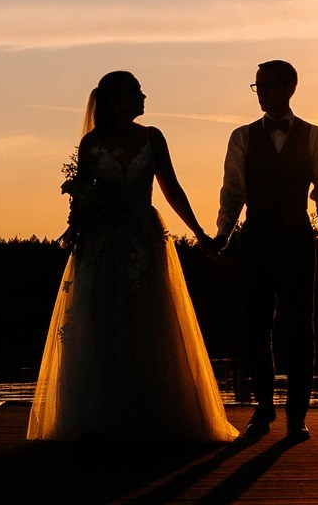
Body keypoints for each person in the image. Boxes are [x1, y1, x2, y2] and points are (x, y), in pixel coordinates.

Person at [26, 70, 239, 443]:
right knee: (103, 325)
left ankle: (155, 414)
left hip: (144, 240)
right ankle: (104, 416)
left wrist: (200, 233)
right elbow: (82, 197)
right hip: (102, 244)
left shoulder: (153, 138)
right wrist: (78, 228)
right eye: (135, 92)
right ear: (112, 100)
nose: (143, 97)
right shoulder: (91, 144)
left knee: (150, 323)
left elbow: (170, 187)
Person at [212, 59, 318, 439]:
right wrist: (223, 235)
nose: (260, 92)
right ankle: (262, 410)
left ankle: (297, 416)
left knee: (301, 327)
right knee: (256, 326)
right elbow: (232, 193)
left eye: (266, 85)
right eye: (258, 86)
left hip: (299, 238)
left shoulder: (315, 136)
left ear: (289, 88)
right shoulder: (242, 137)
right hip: (257, 238)